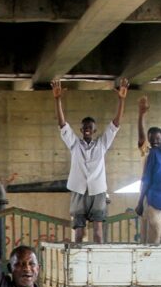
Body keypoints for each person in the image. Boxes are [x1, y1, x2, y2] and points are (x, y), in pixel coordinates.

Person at [52, 77, 129, 243]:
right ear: (81, 130)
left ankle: (97, 263)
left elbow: (115, 125)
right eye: (85, 127)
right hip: (79, 190)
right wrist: (58, 100)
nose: (87, 129)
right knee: (79, 234)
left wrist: (121, 100)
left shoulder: (101, 144)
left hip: (98, 191)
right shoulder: (74, 144)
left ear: (95, 130)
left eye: (90, 127)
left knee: (98, 233)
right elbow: (62, 125)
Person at [136, 96, 161, 242]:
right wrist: (141, 115)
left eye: (158, 139)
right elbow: (141, 137)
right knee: (146, 230)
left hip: (160, 196)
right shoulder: (147, 151)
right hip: (147, 193)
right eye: (152, 139)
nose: (155, 142)